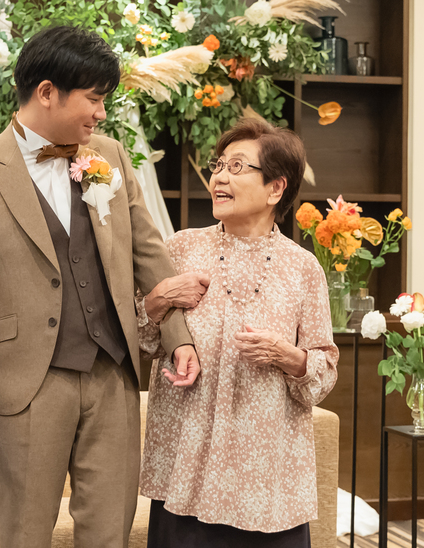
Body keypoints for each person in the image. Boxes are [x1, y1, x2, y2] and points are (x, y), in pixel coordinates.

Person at [0, 26, 205, 548]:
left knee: (109, 533)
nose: (101, 112)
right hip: (24, 384)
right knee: (26, 535)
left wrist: (179, 338)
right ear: (47, 92)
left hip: (113, 374)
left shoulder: (110, 156)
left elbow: (148, 252)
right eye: (94, 98)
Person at [138, 118, 340, 547]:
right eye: (218, 165)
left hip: (266, 482)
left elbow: (323, 374)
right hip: (185, 474)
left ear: (275, 188)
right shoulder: (180, 248)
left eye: (236, 167)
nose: (219, 178)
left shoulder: (302, 268)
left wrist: (288, 356)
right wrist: (158, 301)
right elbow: (139, 339)